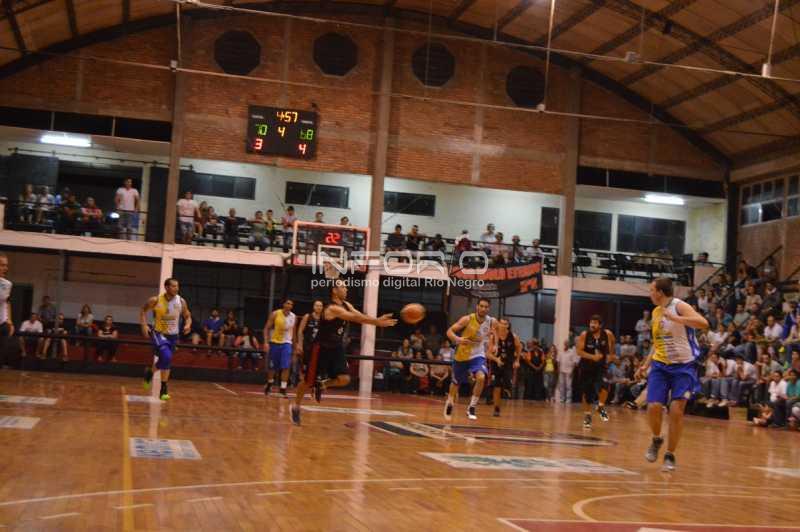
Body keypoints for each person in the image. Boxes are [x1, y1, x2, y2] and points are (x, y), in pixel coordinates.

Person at [291, 279, 397, 425]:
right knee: (308, 381)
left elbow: (359, 315)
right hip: (320, 348)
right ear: (334, 290)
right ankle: (296, 406)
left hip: (336, 348)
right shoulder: (332, 308)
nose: (346, 289)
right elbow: (355, 318)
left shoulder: (347, 304)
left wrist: (376, 319)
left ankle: (322, 385)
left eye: (346, 287)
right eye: (343, 287)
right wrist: (377, 322)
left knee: (345, 379)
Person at [638, 277, 708, 472]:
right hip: (660, 365)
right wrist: (645, 365)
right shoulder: (656, 312)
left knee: (676, 411)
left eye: (651, 290)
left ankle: (670, 455)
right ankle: (656, 439)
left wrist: (678, 319)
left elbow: (703, 323)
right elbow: (657, 341)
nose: (650, 294)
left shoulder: (679, 306)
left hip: (684, 366)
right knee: (653, 406)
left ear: (660, 292)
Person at [140, 278, 192, 400]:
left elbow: (187, 316)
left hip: (173, 336)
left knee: (165, 360)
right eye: (173, 286)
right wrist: (144, 325)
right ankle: (163, 389)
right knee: (167, 356)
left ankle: (150, 373)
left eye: (177, 286)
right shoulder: (155, 300)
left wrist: (188, 324)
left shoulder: (181, 301)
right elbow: (143, 311)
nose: (176, 288)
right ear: (167, 287)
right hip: (159, 333)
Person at [445, 298, 496, 421]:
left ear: (488, 308)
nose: (483, 309)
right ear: (477, 306)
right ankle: (450, 400)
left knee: (481, 377)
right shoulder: (467, 319)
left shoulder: (491, 321)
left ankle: (472, 407)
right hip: (462, 354)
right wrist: (458, 339)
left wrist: (495, 345)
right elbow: (449, 331)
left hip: (478, 354)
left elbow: (495, 333)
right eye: (481, 306)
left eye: (486, 307)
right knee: (456, 382)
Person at [576, 314, 617, 428]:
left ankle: (600, 406)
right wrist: (592, 357)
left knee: (605, 386)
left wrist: (611, 355)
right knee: (587, 393)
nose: (592, 325)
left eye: (594, 323)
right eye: (591, 322)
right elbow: (579, 352)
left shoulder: (607, 334)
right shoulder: (584, 335)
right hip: (586, 367)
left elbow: (613, 343)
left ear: (600, 325)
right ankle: (587, 415)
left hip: (601, 366)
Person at [263, 299, 297, 397]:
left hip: (287, 343)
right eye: (288, 303)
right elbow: (266, 328)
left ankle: (283, 388)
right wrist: (266, 342)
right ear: (283, 304)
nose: (289, 305)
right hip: (275, 342)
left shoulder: (294, 316)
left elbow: (294, 333)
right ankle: (269, 383)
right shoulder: (275, 314)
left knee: (286, 366)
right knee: (272, 367)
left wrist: (295, 347)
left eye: (291, 304)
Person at [488, 318, 521, 417]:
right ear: (498, 324)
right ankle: (496, 408)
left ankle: (508, 388)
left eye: (505, 324)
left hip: (508, 364)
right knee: (496, 387)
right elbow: (488, 354)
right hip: (496, 364)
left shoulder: (513, 336)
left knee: (507, 382)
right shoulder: (493, 337)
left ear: (508, 325)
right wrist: (496, 359)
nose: (503, 325)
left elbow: (519, 347)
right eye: (501, 323)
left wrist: (517, 360)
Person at [295, 300, 323, 392]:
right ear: (313, 307)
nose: (318, 307)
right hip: (307, 346)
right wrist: (299, 344)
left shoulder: (324, 318)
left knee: (317, 367)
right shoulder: (307, 316)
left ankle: (314, 387)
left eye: (320, 306)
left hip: (318, 346)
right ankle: (302, 385)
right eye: (317, 305)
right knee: (305, 367)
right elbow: (300, 331)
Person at [0, 253, 14, 367]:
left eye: (6, 265)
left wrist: (10, 321)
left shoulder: (8, 284)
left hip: (2, 325)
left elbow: (7, 302)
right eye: (2, 265)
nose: (5, 268)